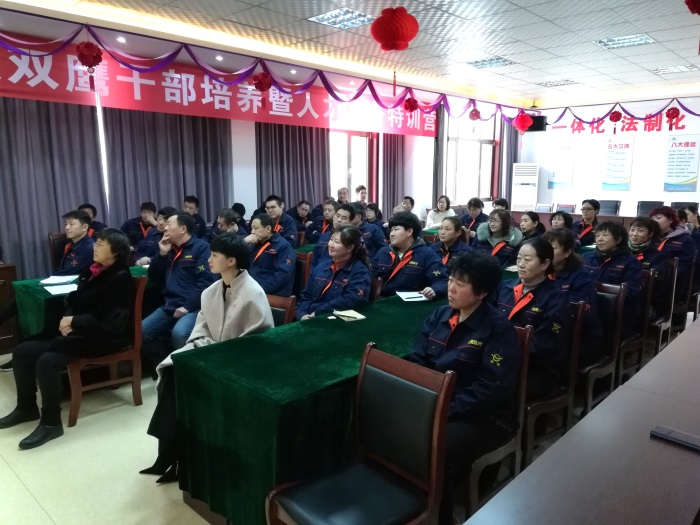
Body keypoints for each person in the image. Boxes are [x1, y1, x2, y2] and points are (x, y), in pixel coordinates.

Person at [141, 233, 274, 483]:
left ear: (231, 261)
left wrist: (217, 355)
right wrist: (204, 352)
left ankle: (172, 456)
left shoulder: (253, 293)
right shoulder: (211, 291)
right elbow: (200, 331)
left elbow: (257, 342)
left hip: (239, 363)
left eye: (214, 255)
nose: (209, 260)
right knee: (172, 371)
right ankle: (169, 453)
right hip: (211, 353)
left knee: (183, 378)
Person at [410, 251, 520, 525]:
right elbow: (418, 359)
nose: (451, 288)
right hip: (437, 404)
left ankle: (442, 516)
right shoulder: (440, 315)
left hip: (482, 416)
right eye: (450, 280)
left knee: (436, 444)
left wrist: (443, 410)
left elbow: (492, 389)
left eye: (460, 284)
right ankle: (412, 505)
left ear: (482, 292)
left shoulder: (498, 329)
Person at [0, 229, 134, 449]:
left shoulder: (120, 277)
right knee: (22, 351)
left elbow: (111, 321)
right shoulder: (94, 271)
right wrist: (68, 321)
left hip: (105, 336)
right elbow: (73, 299)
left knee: (48, 361)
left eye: (101, 244)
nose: (95, 247)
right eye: (96, 243)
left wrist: (74, 322)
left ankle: (51, 422)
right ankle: (26, 408)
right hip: (81, 332)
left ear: (116, 251)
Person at [492, 238, 571, 401]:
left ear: (545, 264)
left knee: (493, 388)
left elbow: (548, 342)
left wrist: (506, 348)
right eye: (519, 258)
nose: (521, 264)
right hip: (497, 357)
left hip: (535, 367)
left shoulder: (556, 298)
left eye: (527, 260)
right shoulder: (504, 287)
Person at [141, 213, 215, 367]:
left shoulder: (201, 248)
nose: (165, 227)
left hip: (194, 306)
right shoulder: (168, 248)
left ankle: (194, 369)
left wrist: (187, 306)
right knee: (141, 332)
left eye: (169, 224)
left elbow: (206, 282)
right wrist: (162, 254)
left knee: (180, 334)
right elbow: (153, 276)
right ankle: (168, 366)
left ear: (182, 229)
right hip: (170, 304)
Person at [542, 228, 603, 365]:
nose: (545, 252)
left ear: (567, 252)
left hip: (579, 337)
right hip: (550, 331)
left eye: (552, 248)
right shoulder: (542, 272)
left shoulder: (581, 277)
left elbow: (575, 314)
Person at [582, 222, 642, 339]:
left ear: (618, 239)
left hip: (617, 313)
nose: (600, 239)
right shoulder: (587, 257)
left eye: (605, 235)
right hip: (589, 309)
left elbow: (631, 291)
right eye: (597, 235)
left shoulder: (630, 262)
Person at [297, 226, 371, 320]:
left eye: (336, 242)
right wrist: (302, 314)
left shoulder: (360, 271)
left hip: (336, 320)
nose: (331, 245)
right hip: (311, 317)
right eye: (331, 239)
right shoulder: (321, 267)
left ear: (350, 248)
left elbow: (352, 299)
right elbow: (306, 295)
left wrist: (317, 313)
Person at [372, 212, 447, 299]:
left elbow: (442, 280)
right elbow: (370, 278)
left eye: (396, 229)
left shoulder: (427, 255)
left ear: (409, 231)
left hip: (409, 303)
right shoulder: (383, 252)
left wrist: (434, 289)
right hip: (380, 301)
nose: (391, 234)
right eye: (391, 230)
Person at [649, 206, 697, 297]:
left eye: (658, 218)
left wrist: (660, 275)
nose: (654, 221)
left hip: (670, 284)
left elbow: (684, 266)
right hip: (648, 278)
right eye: (652, 218)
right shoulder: (649, 237)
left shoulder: (686, 240)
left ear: (671, 220)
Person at [245, 214, 295, 296]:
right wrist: (243, 242)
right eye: (251, 228)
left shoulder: (284, 246)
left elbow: (282, 275)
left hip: (271, 293)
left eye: (256, 228)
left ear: (268, 229)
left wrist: (259, 290)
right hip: (252, 289)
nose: (252, 232)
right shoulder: (253, 244)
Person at [311, 203, 354, 272]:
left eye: (344, 218)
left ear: (350, 222)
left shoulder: (352, 240)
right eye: (337, 216)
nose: (339, 220)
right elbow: (314, 260)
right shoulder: (324, 236)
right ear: (334, 217)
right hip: (318, 274)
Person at [57, 210, 96, 276]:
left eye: (71, 224)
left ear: (84, 227)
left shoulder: (88, 248)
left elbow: (70, 272)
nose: (67, 227)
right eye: (66, 224)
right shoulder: (72, 244)